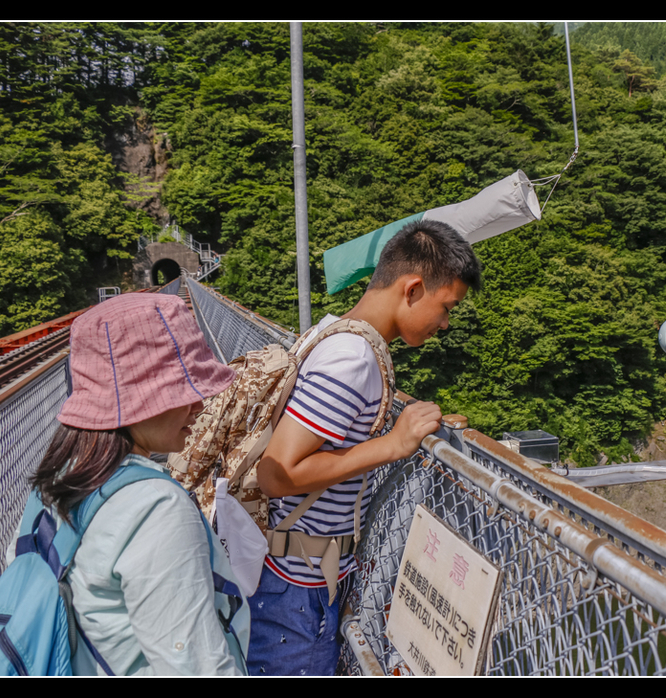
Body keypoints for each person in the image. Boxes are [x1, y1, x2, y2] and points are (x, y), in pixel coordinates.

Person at [250, 219, 482, 676]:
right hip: (296, 587)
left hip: (298, 573)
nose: (446, 323)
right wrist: (394, 445)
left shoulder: (335, 332)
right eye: (446, 306)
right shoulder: (352, 359)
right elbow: (276, 472)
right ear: (413, 288)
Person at [25, 293, 248, 675]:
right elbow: (194, 666)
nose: (200, 404)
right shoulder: (156, 508)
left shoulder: (58, 479)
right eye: (181, 390)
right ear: (137, 403)